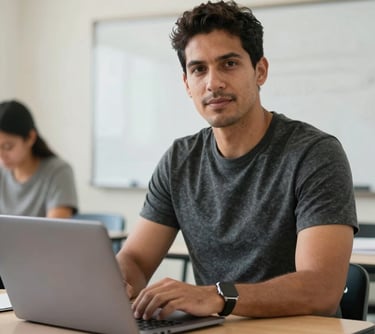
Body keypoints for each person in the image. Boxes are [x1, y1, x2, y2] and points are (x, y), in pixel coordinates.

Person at [116, 0, 357, 321]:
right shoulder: (179, 160)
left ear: (260, 71)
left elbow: (321, 290)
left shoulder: (314, 153)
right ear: (187, 84)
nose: (213, 83)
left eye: (228, 64)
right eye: (198, 69)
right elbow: (135, 258)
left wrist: (216, 296)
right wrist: (116, 283)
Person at [0, 99, 78, 218]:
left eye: (7, 147)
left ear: (30, 138)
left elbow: (55, 230)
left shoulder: (58, 172)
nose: (1, 155)